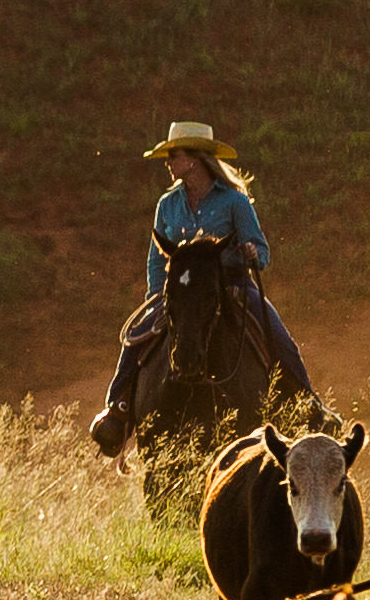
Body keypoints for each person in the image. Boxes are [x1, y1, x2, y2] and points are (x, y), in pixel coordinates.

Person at [89, 121, 317, 452]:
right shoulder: (167, 204)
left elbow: (262, 253)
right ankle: (118, 410)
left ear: (195, 159)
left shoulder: (235, 203)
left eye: (174, 155)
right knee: (136, 336)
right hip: (180, 292)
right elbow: (156, 259)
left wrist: (251, 253)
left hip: (230, 286)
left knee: (275, 333)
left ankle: (308, 404)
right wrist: (156, 295)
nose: (168, 162)